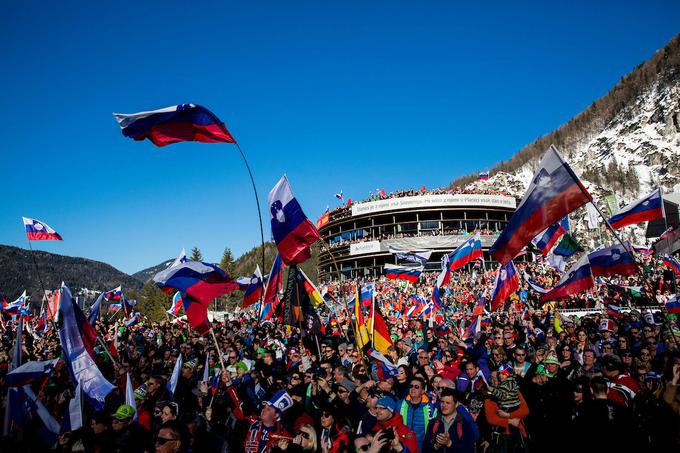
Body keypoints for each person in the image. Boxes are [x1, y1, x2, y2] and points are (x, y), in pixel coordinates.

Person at [422, 388, 479, 453]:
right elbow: (425, 448)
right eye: (442, 402)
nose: (444, 405)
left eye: (448, 403)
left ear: (456, 404)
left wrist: (450, 443)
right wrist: (436, 446)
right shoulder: (433, 423)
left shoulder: (465, 425)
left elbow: (469, 450)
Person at [398, 377, 438, 449]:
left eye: (416, 387)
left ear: (422, 391)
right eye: (411, 386)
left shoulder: (431, 408)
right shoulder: (400, 404)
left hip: (422, 447)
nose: (413, 388)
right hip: (404, 446)